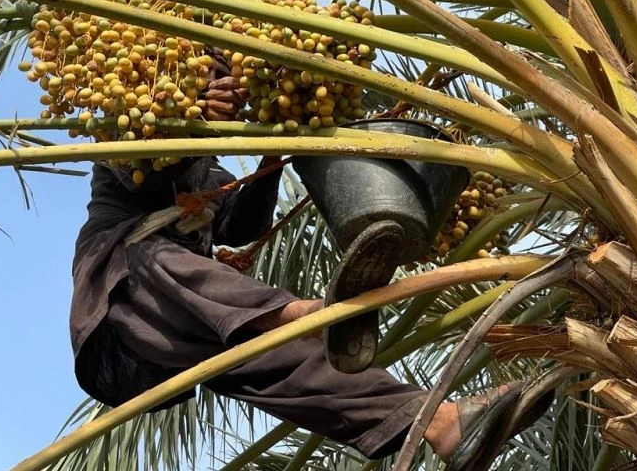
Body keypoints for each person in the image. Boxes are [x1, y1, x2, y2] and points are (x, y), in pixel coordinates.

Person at [69, 49, 553, 470]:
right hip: (126, 299)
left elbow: (241, 227)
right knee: (153, 255)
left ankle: (438, 422)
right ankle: (303, 313)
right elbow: (147, 179)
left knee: (288, 361)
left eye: (225, 75)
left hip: (193, 323)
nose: (223, 85)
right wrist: (190, 110)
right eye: (209, 74)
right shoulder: (126, 133)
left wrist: (273, 155)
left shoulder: (209, 170)